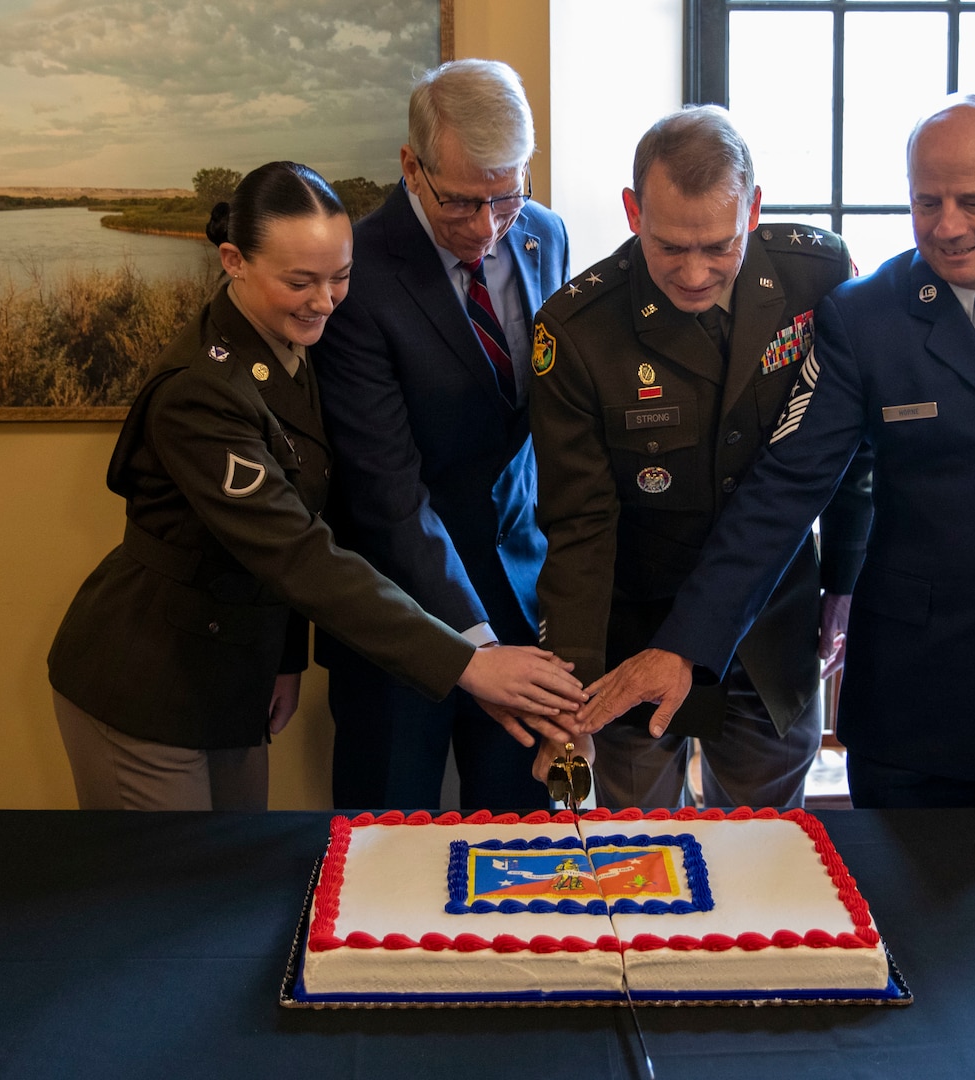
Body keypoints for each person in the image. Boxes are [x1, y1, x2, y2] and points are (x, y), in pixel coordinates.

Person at [575, 95, 975, 809]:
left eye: (972, 201)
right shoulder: (867, 316)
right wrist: (686, 646)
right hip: (916, 701)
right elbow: (784, 490)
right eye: (927, 202)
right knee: (902, 915)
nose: (947, 227)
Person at [46, 161, 585, 811]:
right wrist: (468, 663)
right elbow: (296, 550)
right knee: (167, 895)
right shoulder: (202, 394)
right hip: (147, 676)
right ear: (233, 261)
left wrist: (283, 657)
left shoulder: (287, 346)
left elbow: (307, 510)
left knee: (236, 881)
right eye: (300, 281)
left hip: (231, 670)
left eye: (340, 277)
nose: (325, 300)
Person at [527, 106, 872, 809]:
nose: (694, 273)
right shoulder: (577, 332)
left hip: (771, 627)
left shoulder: (817, 274)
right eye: (670, 247)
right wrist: (569, 704)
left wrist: (842, 578)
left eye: (718, 246)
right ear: (633, 213)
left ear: (753, 210)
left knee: (767, 855)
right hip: (633, 631)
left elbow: (847, 455)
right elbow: (579, 526)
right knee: (642, 857)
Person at [311, 60, 574, 811]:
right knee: (385, 853)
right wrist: (473, 649)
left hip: (523, 596)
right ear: (411, 167)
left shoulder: (544, 236)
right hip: (402, 614)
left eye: (508, 196)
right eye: (463, 202)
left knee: (518, 853)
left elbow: (552, 428)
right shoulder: (359, 276)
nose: (487, 228)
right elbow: (389, 492)